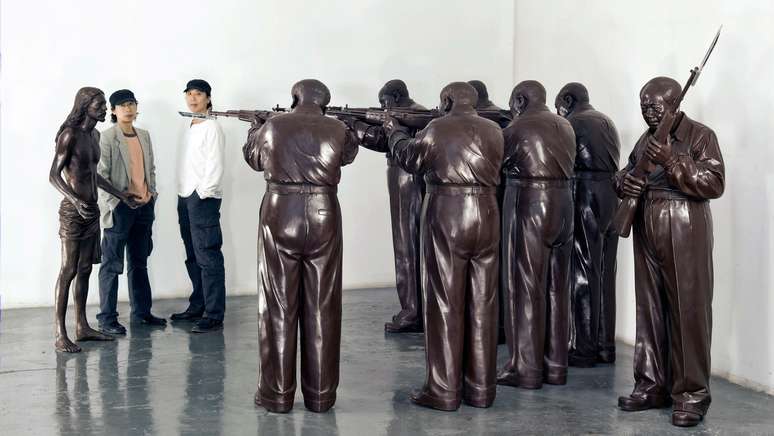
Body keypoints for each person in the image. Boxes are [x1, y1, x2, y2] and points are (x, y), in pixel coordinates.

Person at [383, 82, 503, 411]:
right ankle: (481, 389)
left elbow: (410, 158)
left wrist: (394, 132)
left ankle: (444, 390)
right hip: (487, 213)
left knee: (443, 302)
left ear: (447, 101)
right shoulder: (494, 131)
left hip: (448, 213)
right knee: (483, 303)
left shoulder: (437, 128)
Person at [615, 76, 724, 428]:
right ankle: (651, 384)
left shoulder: (701, 136)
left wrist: (673, 161)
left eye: (654, 106)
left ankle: (691, 395)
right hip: (647, 224)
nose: (647, 112)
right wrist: (623, 181)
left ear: (674, 103)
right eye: (643, 106)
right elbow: (629, 169)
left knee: (688, 310)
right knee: (649, 308)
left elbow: (714, 183)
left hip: (684, 225)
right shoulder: (646, 137)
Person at [244, 79, 359, 413]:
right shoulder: (338, 128)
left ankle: (277, 394)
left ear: (295, 97)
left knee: (278, 304)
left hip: (281, 211)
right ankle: (320, 395)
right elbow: (348, 154)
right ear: (325, 102)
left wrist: (255, 129)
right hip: (324, 213)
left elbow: (254, 158)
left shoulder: (273, 126)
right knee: (324, 305)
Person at [497, 80, 576, 389]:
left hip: (530, 202)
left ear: (519, 100)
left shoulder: (517, 128)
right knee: (558, 288)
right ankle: (556, 366)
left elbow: (495, 164)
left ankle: (525, 369)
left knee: (525, 286)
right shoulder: (565, 125)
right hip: (564, 204)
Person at [49, 87, 139, 352]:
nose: (103, 109)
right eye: (98, 105)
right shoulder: (70, 135)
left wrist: (121, 195)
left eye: (103, 105)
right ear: (84, 106)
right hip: (73, 212)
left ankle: (82, 326)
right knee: (68, 270)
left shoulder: (95, 135)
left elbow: (92, 175)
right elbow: (54, 175)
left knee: (86, 268)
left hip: (92, 211)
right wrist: (76, 201)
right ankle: (60, 334)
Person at [346, 80, 427, 333]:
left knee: (406, 246)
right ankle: (421, 310)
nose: (383, 108)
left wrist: (355, 126)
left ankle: (412, 312)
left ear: (396, 97)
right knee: (417, 246)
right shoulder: (420, 113)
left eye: (384, 103)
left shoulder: (411, 115)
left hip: (405, 179)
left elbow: (385, 139)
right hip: (416, 180)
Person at [555, 82, 621, 366]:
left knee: (583, 269)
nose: (559, 112)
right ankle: (605, 345)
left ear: (568, 100)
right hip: (612, 195)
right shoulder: (607, 121)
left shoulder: (573, 123)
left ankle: (583, 348)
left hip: (586, 193)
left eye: (559, 106)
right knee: (606, 272)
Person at [96, 89, 166, 335]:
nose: (128, 108)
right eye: (122, 105)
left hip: (144, 207)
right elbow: (100, 176)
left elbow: (151, 169)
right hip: (120, 208)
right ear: (113, 111)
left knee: (139, 262)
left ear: (136, 107)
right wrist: (115, 204)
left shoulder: (144, 135)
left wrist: (152, 195)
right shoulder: (107, 138)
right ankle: (107, 318)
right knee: (111, 264)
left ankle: (142, 313)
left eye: (131, 104)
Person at [170, 79, 227, 333]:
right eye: (189, 94)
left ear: (208, 98)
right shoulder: (188, 125)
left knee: (207, 254)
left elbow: (215, 164)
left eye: (198, 94)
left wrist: (204, 192)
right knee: (193, 254)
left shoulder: (212, 127)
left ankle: (213, 314)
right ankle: (198, 305)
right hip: (185, 195)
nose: (193, 98)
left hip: (203, 198)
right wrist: (184, 192)